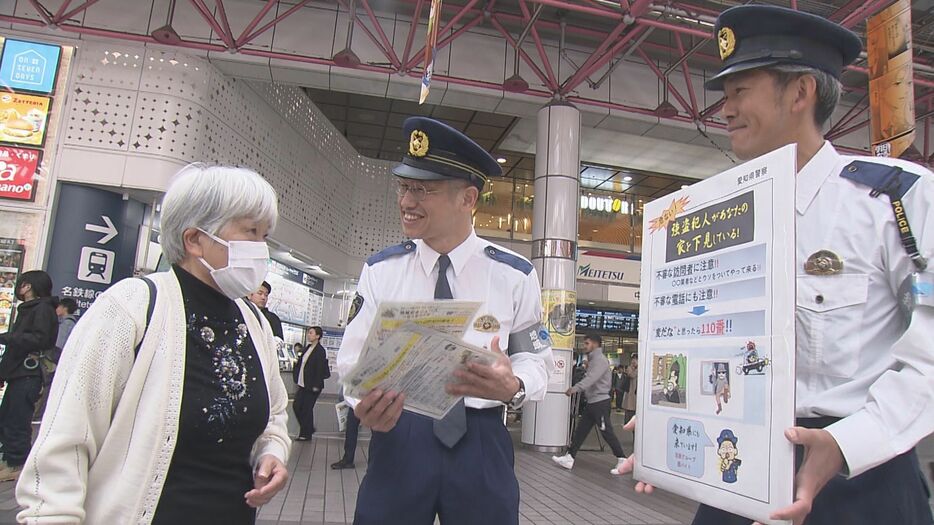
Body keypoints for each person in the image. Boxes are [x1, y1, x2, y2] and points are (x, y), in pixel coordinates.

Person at [620, 6, 934, 525]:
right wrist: (671, 430)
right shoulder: (710, 217)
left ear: (800, 92)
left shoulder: (894, 199)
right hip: (739, 471)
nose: (724, 110)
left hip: (859, 480)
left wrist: (849, 441)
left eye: (740, 91)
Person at [15, 164, 291, 523]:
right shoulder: (131, 306)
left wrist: (272, 452)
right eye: (251, 232)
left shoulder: (252, 321)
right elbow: (66, 441)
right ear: (194, 240)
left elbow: (273, 416)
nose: (261, 249)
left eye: (265, 235)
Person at [336, 116, 553, 525]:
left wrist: (515, 386)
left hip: (482, 439)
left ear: (467, 199)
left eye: (423, 189)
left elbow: (536, 358)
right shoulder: (382, 270)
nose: (406, 201)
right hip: (400, 433)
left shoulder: (515, 275)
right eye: (403, 186)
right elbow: (353, 359)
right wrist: (361, 402)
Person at [0, 271, 58, 482]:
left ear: (29, 286)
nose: (20, 288)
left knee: (17, 418)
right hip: (20, 372)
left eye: (23, 284)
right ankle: (9, 460)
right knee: (8, 417)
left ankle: (16, 463)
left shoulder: (42, 308)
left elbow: (40, 339)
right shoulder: (30, 309)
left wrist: (8, 337)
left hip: (29, 373)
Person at [552, 334, 627, 475]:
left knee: (606, 432)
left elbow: (591, 379)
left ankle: (622, 458)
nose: (584, 346)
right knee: (581, 431)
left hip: (600, 403)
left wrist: (575, 388)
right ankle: (570, 457)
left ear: (595, 344)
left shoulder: (599, 360)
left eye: (587, 343)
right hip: (593, 402)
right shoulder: (593, 360)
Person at [33, 296, 80, 421]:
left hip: (52, 360)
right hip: (59, 362)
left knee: (45, 386)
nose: (56, 309)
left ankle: (38, 414)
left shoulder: (66, 324)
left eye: (59, 306)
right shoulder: (73, 323)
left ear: (64, 308)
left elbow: (58, 345)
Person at [292, 326, 329, 440]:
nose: (309, 335)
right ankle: (309, 428)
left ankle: (305, 434)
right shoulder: (307, 348)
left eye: (311, 333)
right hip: (303, 383)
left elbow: (319, 369)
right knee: (297, 406)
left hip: (313, 385)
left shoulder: (320, 351)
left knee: (306, 409)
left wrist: (316, 386)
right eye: (308, 333)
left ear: (318, 336)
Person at [330, 386, 361, 470]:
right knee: (350, 430)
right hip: (354, 404)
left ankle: (348, 459)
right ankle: (348, 459)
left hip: (366, 401)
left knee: (376, 433)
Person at [621, 355, 637, 425]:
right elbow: (632, 375)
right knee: (630, 407)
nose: (634, 361)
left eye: (636, 359)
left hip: (636, 391)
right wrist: (637, 368)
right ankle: (628, 421)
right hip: (631, 391)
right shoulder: (629, 368)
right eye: (633, 359)